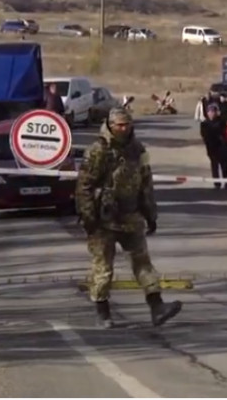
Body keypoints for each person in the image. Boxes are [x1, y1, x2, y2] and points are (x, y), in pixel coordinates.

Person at [75, 107, 182, 329]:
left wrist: (151, 214)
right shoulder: (98, 151)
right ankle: (103, 312)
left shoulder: (137, 150)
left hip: (131, 215)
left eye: (127, 124)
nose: (124, 129)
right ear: (111, 126)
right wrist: (88, 218)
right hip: (103, 220)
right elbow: (84, 187)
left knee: (143, 263)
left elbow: (146, 184)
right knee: (103, 268)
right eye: (119, 125)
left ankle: (157, 307)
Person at [200, 104, 227, 189]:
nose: (211, 113)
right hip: (211, 147)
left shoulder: (222, 121)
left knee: (224, 166)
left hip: (222, 147)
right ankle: (217, 183)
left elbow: (225, 132)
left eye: (213, 111)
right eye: (210, 112)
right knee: (214, 166)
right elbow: (204, 135)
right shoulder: (204, 123)